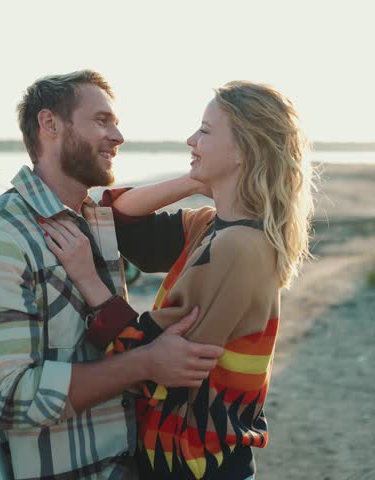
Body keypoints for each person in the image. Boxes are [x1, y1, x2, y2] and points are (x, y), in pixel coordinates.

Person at [0, 70, 224, 480]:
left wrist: (197, 180)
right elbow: (11, 400)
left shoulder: (94, 218)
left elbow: (122, 206)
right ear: (50, 124)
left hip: (130, 462)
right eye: (101, 120)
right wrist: (146, 363)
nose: (118, 136)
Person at [41, 81, 315, 479]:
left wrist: (87, 279)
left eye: (204, 131)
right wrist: (195, 179)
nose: (191, 139)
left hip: (198, 466)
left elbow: (151, 362)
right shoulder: (213, 227)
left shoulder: (237, 247)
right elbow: (118, 220)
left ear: (245, 149)